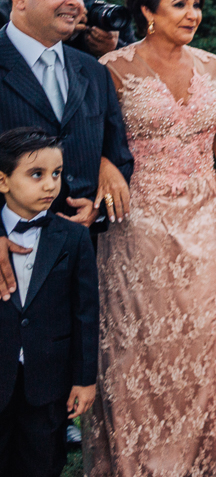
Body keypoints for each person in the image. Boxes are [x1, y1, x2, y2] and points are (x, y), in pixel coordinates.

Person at [87, 0, 216, 476]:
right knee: (141, 346)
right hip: (139, 226)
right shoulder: (111, 67)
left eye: (196, 4)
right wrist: (103, 165)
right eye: (179, 4)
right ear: (147, 11)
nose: (192, 14)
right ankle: (143, 463)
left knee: (198, 341)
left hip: (202, 223)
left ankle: (197, 461)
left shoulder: (213, 66)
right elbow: (86, 137)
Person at [0, 0, 134, 302]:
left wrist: (96, 204)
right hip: (7, 258)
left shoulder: (93, 71)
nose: (75, 2)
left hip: (81, 256)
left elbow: (117, 152)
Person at [0, 128, 98, 477]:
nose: (50, 185)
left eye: (56, 174)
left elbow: (86, 312)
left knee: (40, 464)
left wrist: (85, 379)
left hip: (47, 383)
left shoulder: (72, 236)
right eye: (36, 174)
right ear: (3, 181)